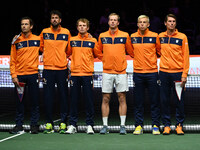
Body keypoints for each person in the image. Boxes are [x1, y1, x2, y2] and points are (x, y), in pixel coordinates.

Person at [98, 13, 134, 134]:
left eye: (115, 20)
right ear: (108, 22)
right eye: (111, 20)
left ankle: (122, 126)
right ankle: (104, 126)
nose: (113, 22)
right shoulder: (102, 36)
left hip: (121, 72)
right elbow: (97, 50)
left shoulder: (125, 35)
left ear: (118, 22)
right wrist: (105, 60)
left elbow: (130, 51)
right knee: (105, 98)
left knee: (122, 98)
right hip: (107, 72)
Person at [65, 18, 102, 134]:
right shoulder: (72, 40)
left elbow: (98, 54)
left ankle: (90, 125)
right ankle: (72, 125)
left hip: (87, 74)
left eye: (84, 25)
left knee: (89, 101)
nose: (81, 27)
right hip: (75, 74)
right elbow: (67, 53)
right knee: (74, 101)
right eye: (80, 25)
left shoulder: (93, 40)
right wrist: (71, 62)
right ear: (77, 27)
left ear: (88, 28)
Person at [40, 10, 71, 134]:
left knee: (63, 96)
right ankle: (49, 123)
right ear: (50, 20)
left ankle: (63, 122)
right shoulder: (44, 32)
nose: (54, 19)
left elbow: (69, 49)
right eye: (52, 17)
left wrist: (61, 58)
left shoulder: (66, 32)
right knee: (48, 97)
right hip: (48, 69)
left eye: (56, 18)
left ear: (60, 20)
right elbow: (41, 47)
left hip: (62, 69)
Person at [159, 14, 190, 135]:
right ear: (165, 23)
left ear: (175, 24)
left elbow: (186, 57)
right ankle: (166, 125)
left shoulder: (182, 37)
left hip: (178, 74)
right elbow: (157, 50)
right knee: (164, 100)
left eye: (173, 21)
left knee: (179, 100)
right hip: (164, 73)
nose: (171, 23)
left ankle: (179, 125)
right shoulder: (160, 37)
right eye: (169, 21)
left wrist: (184, 74)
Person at [9, 17, 40, 134]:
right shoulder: (16, 41)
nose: (24, 26)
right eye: (22, 24)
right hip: (20, 76)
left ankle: (34, 125)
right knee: (19, 102)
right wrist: (14, 75)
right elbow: (13, 60)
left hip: (33, 75)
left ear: (31, 26)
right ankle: (18, 125)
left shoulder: (38, 39)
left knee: (34, 101)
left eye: (26, 24)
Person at [131, 15, 161, 135]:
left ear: (148, 24)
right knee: (138, 102)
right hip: (138, 73)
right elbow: (130, 51)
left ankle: (155, 126)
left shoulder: (155, 36)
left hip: (152, 73)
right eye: (140, 22)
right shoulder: (132, 37)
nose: (142, 24)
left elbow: (159, 51)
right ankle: (138, 125)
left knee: (154, 101)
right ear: (137, 24)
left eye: (144, 22)